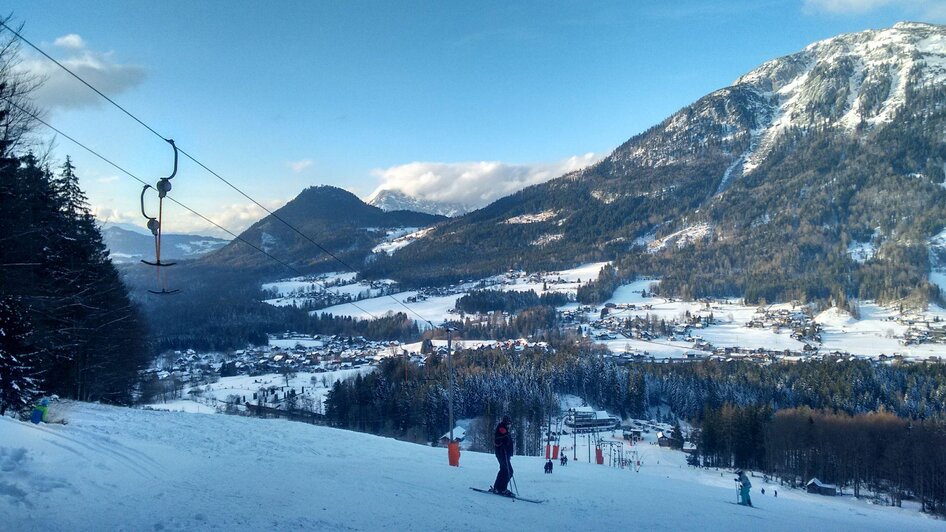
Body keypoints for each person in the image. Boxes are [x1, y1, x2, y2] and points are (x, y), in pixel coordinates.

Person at [490, 415, 515, 496]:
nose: (510, 425)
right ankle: (502, 489)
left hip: (504, 454)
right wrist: (503, 444)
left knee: (504, 470)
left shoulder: (504, 429)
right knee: (509, 471)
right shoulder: (502, 429)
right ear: (506, 423)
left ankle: (497, 488)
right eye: (509, 424)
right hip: (502, 454)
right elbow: (497, 441)